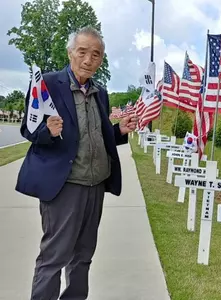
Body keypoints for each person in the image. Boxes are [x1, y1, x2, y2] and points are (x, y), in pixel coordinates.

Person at [15, 26, 138, 300]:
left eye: (96, 55)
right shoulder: (47, 83)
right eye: (82, 52)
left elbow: (98, 135)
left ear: (101, 59)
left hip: (94, 186)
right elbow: (29, 129)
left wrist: (120, 131)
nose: (88, 60)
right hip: (64, 187)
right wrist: (48, 131)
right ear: (70, 52)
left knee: (83, 257)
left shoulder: (100, 92)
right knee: (54, 257)